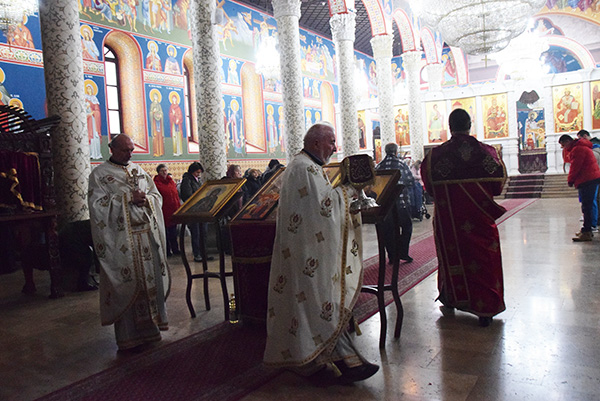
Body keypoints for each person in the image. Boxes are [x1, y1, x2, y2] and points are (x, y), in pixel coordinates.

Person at [263, 122, 379, 383]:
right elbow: (325, 208)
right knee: (321, 304)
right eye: (331, 141)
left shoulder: (308, 166)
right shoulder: (304, 168)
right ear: (316, 143)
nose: (334, 147)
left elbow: (321, 205)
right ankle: (338, 362)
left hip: (306, 252)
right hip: (307, 256)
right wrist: (350, 189)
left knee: (317, 306)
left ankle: (331, 362)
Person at [421, 109, 507, 327]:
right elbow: (497, 187)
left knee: (451, 258)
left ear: (449, 127)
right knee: (483, 259)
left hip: (450, 221)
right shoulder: (488, 152)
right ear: (470, 124)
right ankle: (486, 307)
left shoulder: (436, 156)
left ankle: (450, 298)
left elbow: (430, 187)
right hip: (480, 220)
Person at [88, 134, 170, 351]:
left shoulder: (139, 170)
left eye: (132, 149)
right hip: (121, 241)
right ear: (111, 149)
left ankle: (151, 332)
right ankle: (128, 338)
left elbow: (155, 196)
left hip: (145, 237)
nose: (130, 154)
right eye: (125, 150)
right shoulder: (99, 175)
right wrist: (127, 199)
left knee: (148, 285)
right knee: (127, 286)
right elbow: (97, 208)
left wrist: (147, 200)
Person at [375, 143, 415, 263]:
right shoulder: (401, 164)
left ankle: (392, 256)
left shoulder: (379, 166)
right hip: (401, 203)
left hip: (386, 205)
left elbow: (376, 185)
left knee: (388, 230)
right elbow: (410, 180)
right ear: (396, 151)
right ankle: (403, 252)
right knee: (407, 226)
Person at [558, 134, 600, 241]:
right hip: (590, 178)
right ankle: (586, 230)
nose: (564, 148)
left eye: (563, 145)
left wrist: (570, 180)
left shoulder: (578, 149)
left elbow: (575, 166)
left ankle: (587, 231)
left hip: (587, 179)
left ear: (568, 141)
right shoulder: (581, 146)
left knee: (587, 207)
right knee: (588, 205)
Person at [179, 161, 213, 262]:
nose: (198, 174)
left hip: (202, 210)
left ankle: (204, 253)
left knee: (204, 233)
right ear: (192, 171)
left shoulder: (197, 180)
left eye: (199, 173)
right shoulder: (187, 180)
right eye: (197, 172)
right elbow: (187, 195)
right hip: (194, 211)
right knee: (196, 233)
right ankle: (197, 254)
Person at [153, 164, 181, 256]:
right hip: (163, 211)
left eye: (165, 170)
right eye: (162, 171)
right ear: (158, 172)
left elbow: (175, 195)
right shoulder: (156, 183)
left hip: (173, 210)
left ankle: (175, 249)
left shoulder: (171, 181)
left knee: (173, 232)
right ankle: (167, 250)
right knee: (165, 232)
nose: (164, 172)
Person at [576, 130, 600, 232]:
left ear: (585, 136)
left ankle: (593, 223)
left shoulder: (594, 148)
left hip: (593, 177)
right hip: (594, 176)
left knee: (593, 200)